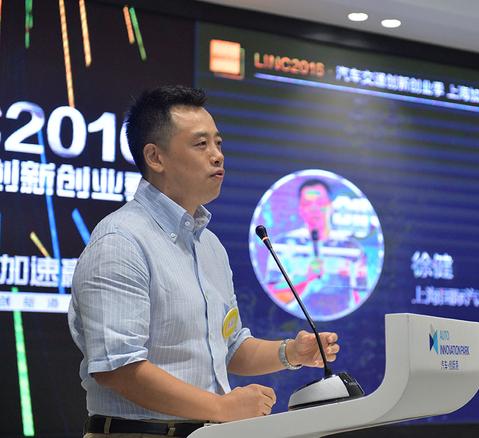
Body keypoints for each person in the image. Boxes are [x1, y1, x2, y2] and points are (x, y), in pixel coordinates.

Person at [67, 85, 340, 436]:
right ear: (155, 157)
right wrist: (222, 408)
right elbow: (117, 368)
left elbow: (229, 347)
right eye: (201, 144)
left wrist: (292, 352)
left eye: (218, 143)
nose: (217, 156)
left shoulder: (209, 245)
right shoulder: (121, 241)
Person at [266, 178, 368, 321]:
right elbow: (273, 295)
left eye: (320, 203)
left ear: (330, 206)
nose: (314, 209)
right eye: (307, 204)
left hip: (345, 323)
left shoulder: (351, 248)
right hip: (293, 323)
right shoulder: (282, 245)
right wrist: (304, 278)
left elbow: (361, 295)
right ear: (300, 209)